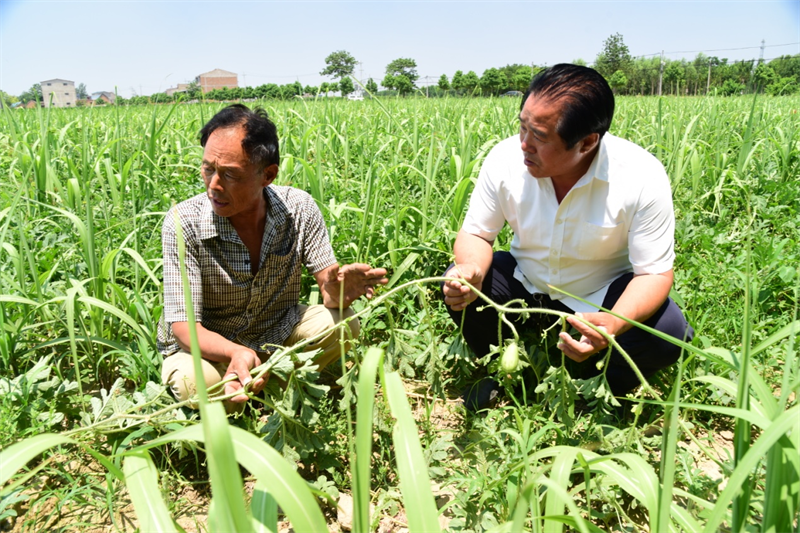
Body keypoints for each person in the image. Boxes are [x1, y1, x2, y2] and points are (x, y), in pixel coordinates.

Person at [442, 64, 693, 410]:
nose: (524, 144)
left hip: (597, 298)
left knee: (667, 331)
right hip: (525, 285)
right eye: (522, 126)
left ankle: (599, 391)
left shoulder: (640, 176)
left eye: (540, 136)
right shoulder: (504, 160)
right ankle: (498, 370)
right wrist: (470, 270)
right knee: (459, 285)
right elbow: (477, 234)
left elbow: (653, 273)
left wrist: (614, 323)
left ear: (587, 141)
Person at [158, 104, 387, 409]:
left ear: (267, 175)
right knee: (192, 382)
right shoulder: (183, 222)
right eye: (208, 169)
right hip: (209, 350)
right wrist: (234, 353)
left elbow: (329, 290)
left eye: (230, 175)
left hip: (272, 335)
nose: (214, 185)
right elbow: (185, 328)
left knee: (343, 323)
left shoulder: (299, 209)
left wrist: (340, 289)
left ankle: (264, 389)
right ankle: (247, 387)